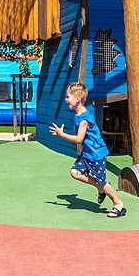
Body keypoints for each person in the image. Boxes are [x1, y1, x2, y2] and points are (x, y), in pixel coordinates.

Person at [49, 81, 126, 218]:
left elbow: (79, 139)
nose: (66, 100)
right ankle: (99, 187)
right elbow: (80, 135)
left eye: (68, 97)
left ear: (77, 99)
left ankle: (118, 204)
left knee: (102, 182)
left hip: (96, 154)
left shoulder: (84, 118)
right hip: (87, 154)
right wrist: (64, 133)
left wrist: (62, 135)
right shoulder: (77, 115)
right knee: (75, 172)